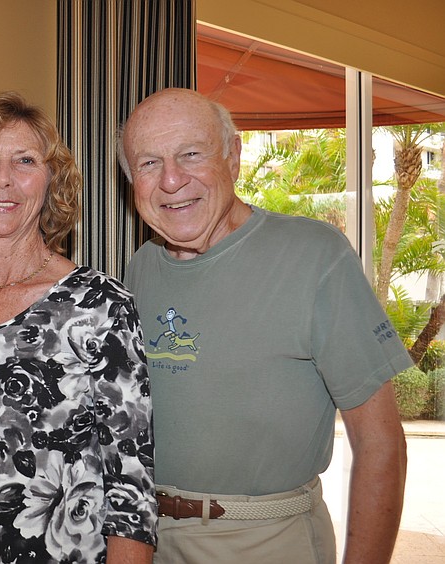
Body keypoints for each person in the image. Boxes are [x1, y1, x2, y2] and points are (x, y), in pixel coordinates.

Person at [117, 88, 412, 564]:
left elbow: (381, 444)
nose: (172, 180)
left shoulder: (316, 255)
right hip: (147, 538)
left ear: (233, 156)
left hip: (265, 542)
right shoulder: (140, 269)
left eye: (191, 154)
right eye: (149, 163)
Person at [0, 91, 157, 563]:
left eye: (25, 161)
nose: (3, 179)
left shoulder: (99, 306)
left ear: (51, 183)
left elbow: (131, 488)